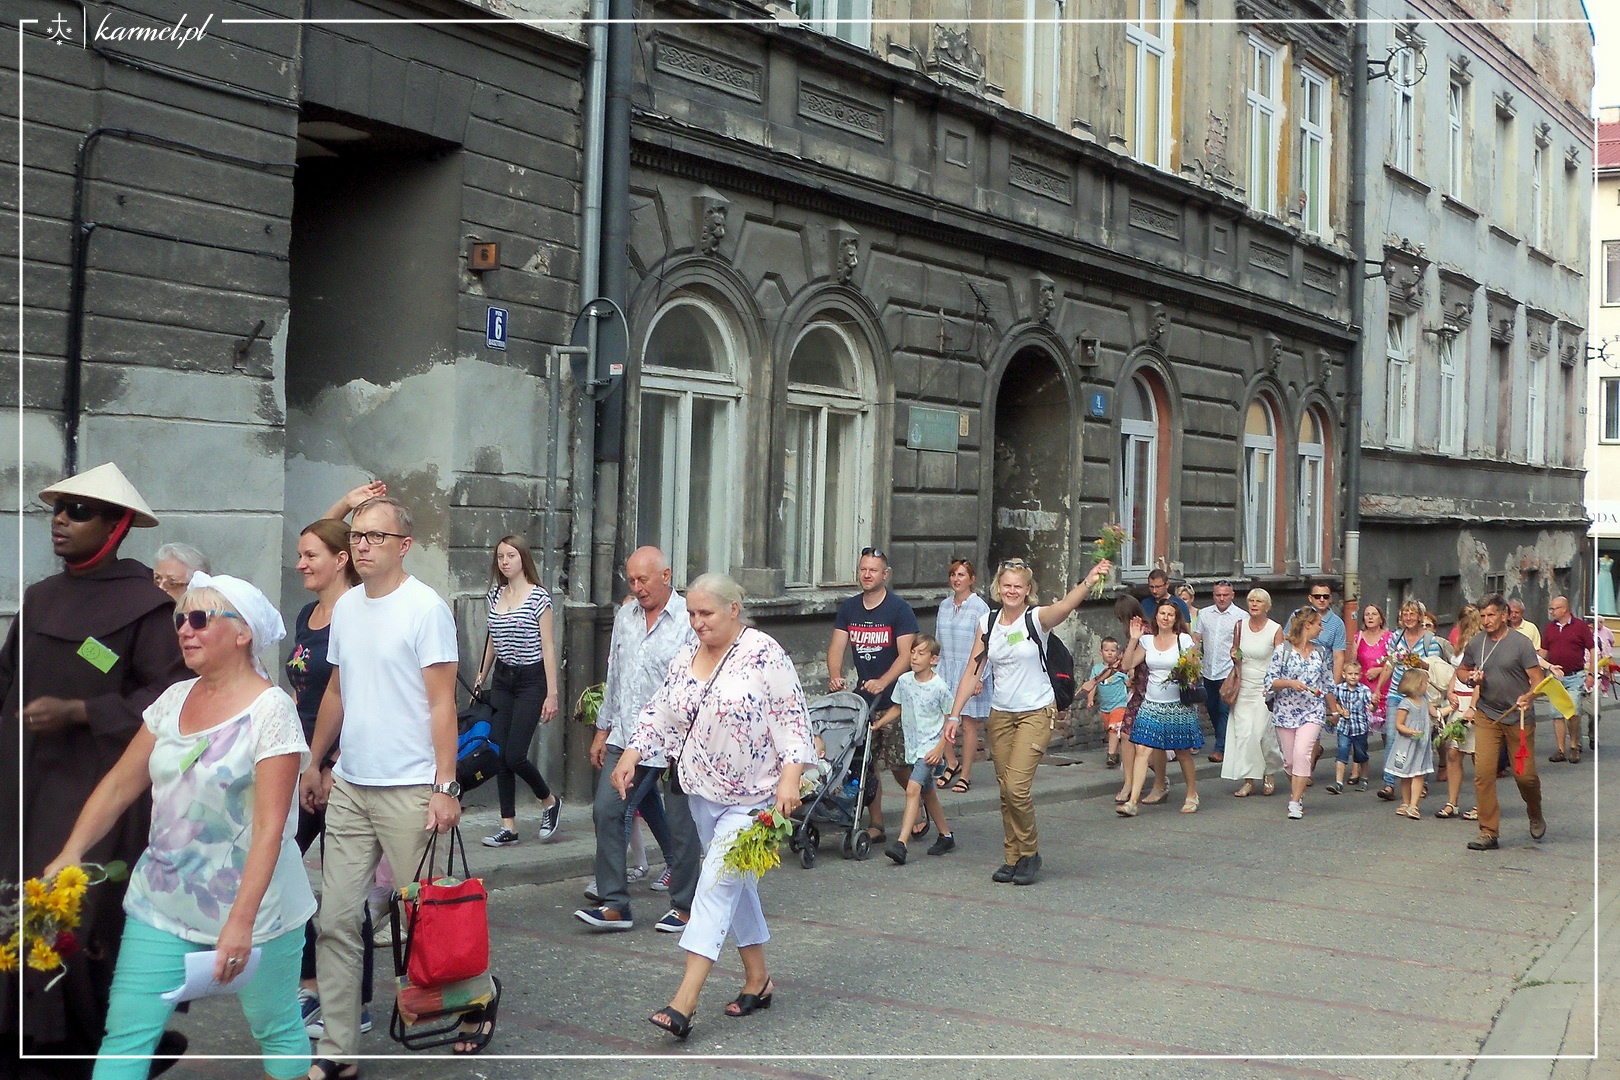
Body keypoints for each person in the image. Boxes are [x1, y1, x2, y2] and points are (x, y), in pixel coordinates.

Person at [44, 574, 313, 1080]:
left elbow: (270, 826)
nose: (185, 630)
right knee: (125, 1035)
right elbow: (119, 784)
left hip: (258, 910)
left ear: (243, 633)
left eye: (200, 619)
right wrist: (71, 851)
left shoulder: (271, 710)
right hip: (162, 901)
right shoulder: (173, 699)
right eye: (180, 619)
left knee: (275, 1028)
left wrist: (240, 924)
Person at [3, 462, 189, 1076]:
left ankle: (95, 1048)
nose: (60, 519)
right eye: (57, 509)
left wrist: (82, 711)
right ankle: (20, 1041)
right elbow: (6, 680)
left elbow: (167, 699)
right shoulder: (40, 597)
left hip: (98, 794)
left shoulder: (146, 607)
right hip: (23, 788)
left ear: (116, 526)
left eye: (78, 511)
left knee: (78, 923)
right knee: (15, 911)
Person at [298, 496, 466, 1073]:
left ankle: (471, 1006)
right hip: (351, 785)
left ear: (404, 546)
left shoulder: (426, 609)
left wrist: (446, 786)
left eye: (375, 536)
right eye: (357, 536)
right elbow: (337, 691)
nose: (363, 545)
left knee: (430, 918)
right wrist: (314, 762)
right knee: (337, 920)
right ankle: (339, 1050)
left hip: (411, 787)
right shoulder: (346, 608)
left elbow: (442, 704)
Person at [613, 573, 817, 1041]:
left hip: (755, 798)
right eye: (691, 613)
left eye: (706, 613)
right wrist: (631, 754)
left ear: (733, 609)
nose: (697, 622)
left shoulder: (763, 652)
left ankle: (683, 1002)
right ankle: (758, 980)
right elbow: (661, 710)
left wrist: (791, 778)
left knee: (715, 884)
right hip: (701, 793)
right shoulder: (688, 653)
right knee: (735, 886)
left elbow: (792, 717)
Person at [948, 559, 1111, 885]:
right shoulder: (988, 622)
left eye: (1018, 586)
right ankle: (1013, 857)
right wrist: (954, 714)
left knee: (1016, 787)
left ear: (1027, 590)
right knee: (1005, 790)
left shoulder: (1035, 619)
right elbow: (972, 671)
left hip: (1035, 712)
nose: (1011, 591)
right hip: (1000, 714)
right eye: (1006, 585)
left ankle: (1030, 852)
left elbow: (1064, 607)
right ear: (998, 587)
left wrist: (1089, 581)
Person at [578, 546, 702, 936]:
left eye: (643, 579)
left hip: (675, 737)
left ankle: (686, 907)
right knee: (607, 810)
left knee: (681, 823)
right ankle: (615, 904)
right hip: (626, 733)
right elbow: (615, 675)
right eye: (631, 580)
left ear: (666, 576)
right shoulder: (625, 617)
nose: (637, 587)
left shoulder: (689, 619)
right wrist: (602, 729)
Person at [286, 519, 376, 1039]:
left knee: (345, 888)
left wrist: (329, 765)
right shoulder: (308, 614)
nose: (301, 563)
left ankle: (353, 1001)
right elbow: (302, 691)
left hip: (344, 768)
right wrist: (302, 762)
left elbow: (360, 697)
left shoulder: (358, 614)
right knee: (282, 867)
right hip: (302, 762)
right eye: (300, 553)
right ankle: (311, 982)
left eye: (310, 555)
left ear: (340, 559)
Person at [473, 535, 562, 846]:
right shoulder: (495, 594)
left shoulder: (539, 598)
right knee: (499, 752)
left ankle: (549, 800)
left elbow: (548, 647)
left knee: (515, 754)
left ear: (523, 558)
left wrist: (552, 693)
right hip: (503, 678)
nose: (505, 561)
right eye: (500, 556)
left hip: (531, 680)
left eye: (511, 555)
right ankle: (508, 826)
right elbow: (492, 639)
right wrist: (481, 674)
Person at [826, 548, 918, 842]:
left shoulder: (899, 609)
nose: (867, 575)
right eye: (863, 569)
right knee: (866, 764)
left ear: (885, 575)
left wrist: (884, 681)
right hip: (864, 700)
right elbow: (837, 647)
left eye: (873, 570)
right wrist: (835, 675)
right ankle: (876, 823)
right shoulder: (850, 608)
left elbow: (906, 655)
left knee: (899, 764)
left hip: (895, 699)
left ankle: (921, 804)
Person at [1454, 594, 1547, 850]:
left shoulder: (1521, 644)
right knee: (1483, 774)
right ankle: (1488, 831)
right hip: (1487, 714)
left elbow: (1537, 679)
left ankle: (1535, 812)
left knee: (1524, 776)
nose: (1486, 620)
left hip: (1518, 717)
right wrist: (1470, 678)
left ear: (1504, 615)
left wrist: (1530, 696)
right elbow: (1461, 670)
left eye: (1491, 615)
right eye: (1483, 616)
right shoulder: (1477, 643)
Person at [1117, 598, 1203, 817]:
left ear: (1175, 619)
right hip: (1151, 704)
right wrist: (1134, 639)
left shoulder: (1183, 640)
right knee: (1142, 750)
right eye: (1162, 613)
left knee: (1182, 752)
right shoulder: (1147, 641)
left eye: (1170, 614)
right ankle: (1133, 802)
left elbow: (1195, 669)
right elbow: (1127, 665)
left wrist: (1185, 673)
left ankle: (1191, 794)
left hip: (1177, 705)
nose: (1165, 618)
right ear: (1156, 616)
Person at [876, 637, 956, 864]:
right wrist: (879, 724)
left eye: (921, 653)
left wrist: (939, 749)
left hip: (929, 750)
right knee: (927, 792)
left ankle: (901, 843)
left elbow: (950, 720)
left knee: (913, 789)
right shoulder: (904, 681)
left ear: (933, 659)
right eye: (913, 652)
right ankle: (946, 836)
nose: (914, 657)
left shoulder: (939, 687)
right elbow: (898, 707)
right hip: (912, 746)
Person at [1264, 609, 1333, 820]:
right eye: (1319, 624)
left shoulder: (1321, 652)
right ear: (1307, 625)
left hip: (1312, 711)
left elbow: (1327, 684)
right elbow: (1269, 681)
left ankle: (1294, 802)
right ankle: (1298, 791)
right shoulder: (1282, 650)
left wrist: (1334, 710)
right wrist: (1290, 683)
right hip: (1285, 711)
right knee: (1290, 761)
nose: (1321, 628)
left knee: (1302, 753)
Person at [1377, 601, 1447, 801]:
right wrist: (1378, 689)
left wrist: (1418, 662)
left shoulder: (1430, 640)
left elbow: (1433, 667)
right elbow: (1390, 663)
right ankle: (1389, 783)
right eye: (1405, 614)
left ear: (1420, 617)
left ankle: (1421, 782)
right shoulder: (1396, 637)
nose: (1408, 618)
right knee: (1392, 737)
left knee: (1420, 738)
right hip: (1397, 693)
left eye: (1412, 614)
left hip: (1419, 695)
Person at [935, 559, 992, 793]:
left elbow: (988, 645)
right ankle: (951, 762)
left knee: (968, 724)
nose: (956, 579)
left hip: (970, 669)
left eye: (961, 575)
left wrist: (980, 677)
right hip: (946, 668)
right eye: (953, 575)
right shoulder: (944, 605)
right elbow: (938, 639)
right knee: (941, 718)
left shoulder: (980, 607)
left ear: (972, 579)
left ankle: (965, 774)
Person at [1221, 589, 1284, 798]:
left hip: (1264, 689)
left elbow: (1281, 661)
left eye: (1258, 601)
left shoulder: (1275, 629)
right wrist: (1234, 655)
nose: (1254, 604)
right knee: (1244, 735)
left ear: (1267, 606)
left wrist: (1274, 686)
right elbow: (1236, 651)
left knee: (1261, 734)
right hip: (1243, 687)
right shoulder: (1240, 626)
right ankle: (1248, 780)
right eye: (1251, 601)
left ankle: (1269, 771)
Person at [1194, 581, 1245, 763]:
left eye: (1225, 595)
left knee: (1224, 709)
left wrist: (1239, 663)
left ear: (1232, 595)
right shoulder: (1204, 614)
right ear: (1213, 595)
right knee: (1212, 707)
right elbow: (1197, 638)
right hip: (1208, 669)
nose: (1222, 598)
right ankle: (1225, 740)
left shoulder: (1241, 616)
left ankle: (1220, 748)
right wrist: (1192, 659)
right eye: (1218, 595)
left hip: (1228, 671)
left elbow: (1244, 644)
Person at [1540, 595, 1594, 764]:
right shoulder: (1550, 628)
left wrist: (1591, 674)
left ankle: (1574, 746)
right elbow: (1543, 652)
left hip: (1575, 676)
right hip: (1556, 677)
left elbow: (1592, 649)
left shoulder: (1580, 626)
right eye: (1550, 608)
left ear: (1564, 609)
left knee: (1573, 711)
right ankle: (1561, 749)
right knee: (1556, 713)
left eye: (1554, 608)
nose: (1551, 612)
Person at [1386, 667, 1437, 819]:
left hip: (1421, 744)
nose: (1427, 686)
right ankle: (1406, 802)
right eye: (1424, 683)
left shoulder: (1425, 701)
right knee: (1406, 774)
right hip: (1407, 744)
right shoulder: (1405, 703)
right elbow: (1399, 724)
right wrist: (1410, 731)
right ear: (1416, 685)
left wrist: (1451, 707)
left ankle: (1413, 805)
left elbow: (1436, 713)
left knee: (1418, 773)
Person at [1324, 660, 1373, 794]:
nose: (1353, 677)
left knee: (1361, 755)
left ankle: (1364, 779)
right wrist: (1340, 711)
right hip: (1344, 728)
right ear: (1344, 674)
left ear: (1360, 675)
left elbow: (1370, 707)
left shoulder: (1364, 690)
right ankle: (1338, 783)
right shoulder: (1339, 689)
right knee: (1342, 752)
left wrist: (1374, 704)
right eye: (1350, 674)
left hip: (1360, 728)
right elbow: (1334, 702)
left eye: (1356, 674)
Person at [1081, 637, 1130, 768]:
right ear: (1101, 652)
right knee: (1111, 730)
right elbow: (1092, 685)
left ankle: (1111, 755)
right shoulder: (1097, 669)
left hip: (1120, 704)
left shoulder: (1120, 669)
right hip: (1105, 707)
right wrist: (1090, 699)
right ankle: (1117, 753)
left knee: (1113, 728)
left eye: (1113, 651)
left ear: (1117, 652)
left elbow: (1128, 683)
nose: (1109, 653)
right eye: (1106, 650)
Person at [1353, 604, 1393, 725]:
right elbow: (1352, 663)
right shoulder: (1358, 637)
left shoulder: (1390, 637)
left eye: (1374, 614)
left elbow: (1396, 662)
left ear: (1381, 619)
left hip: (1385, 688)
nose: (1370, 617)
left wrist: (1379, 670)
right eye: (1367, 614)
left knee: (1385, 727)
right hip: (1363, 689)